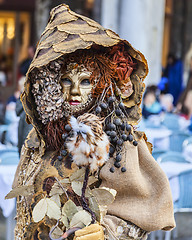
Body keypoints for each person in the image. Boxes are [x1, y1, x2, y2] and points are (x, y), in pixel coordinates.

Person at [9, 4, 175, 240]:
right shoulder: (38, 136)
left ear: (99, 83)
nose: (75, 91)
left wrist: (104, 232)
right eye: (66, 80)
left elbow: (140, 213)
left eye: (85, 81)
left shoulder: (115, 139)